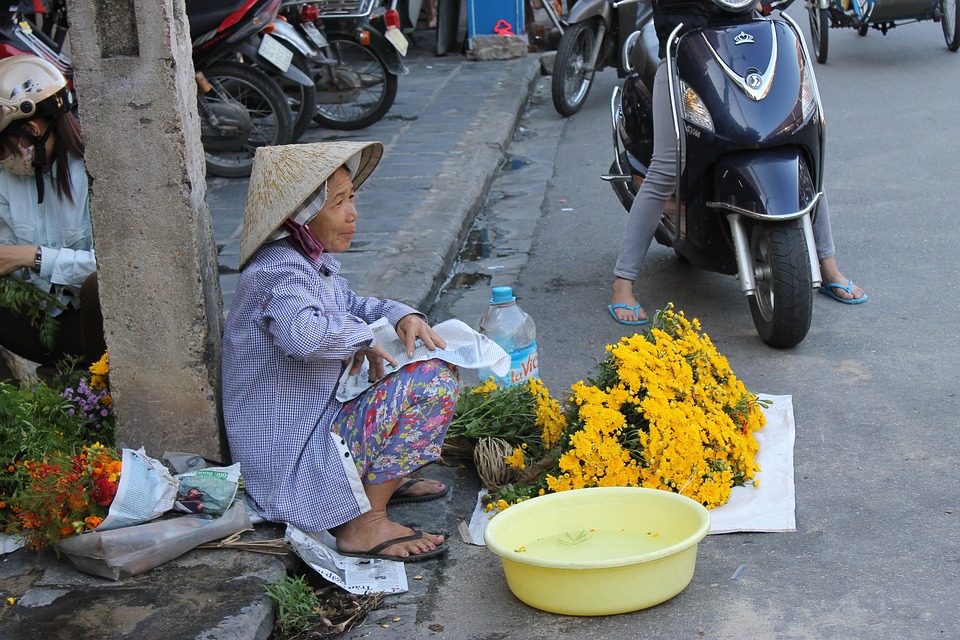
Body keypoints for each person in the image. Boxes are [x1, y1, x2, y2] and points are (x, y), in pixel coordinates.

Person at [221, 141, 459, 562]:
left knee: (425, 362)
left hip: (318, 424)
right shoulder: (279, 271)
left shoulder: (309, 263)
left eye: (352, 198)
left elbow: (356, 306)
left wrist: (402, 315)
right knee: (432, 382)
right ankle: (362, 524)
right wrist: (366, 337)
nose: (353, 214)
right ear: (302, 216)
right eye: (339, 203)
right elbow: (306, 338)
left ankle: (376, 480)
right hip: (291, 457)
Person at [608, 0, 867, 326]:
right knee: (666, 168)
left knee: (797, 145)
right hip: (685, 49)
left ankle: (827, 265)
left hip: (745, 40)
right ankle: (623, 284)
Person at [0, 55, 105, 382]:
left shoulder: (96, 173)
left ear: (31, 130)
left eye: (2, 147)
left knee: (97, 286)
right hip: (36, 324)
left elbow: (115, 269)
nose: (2, 159)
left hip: (94, 331)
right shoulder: (6, 178)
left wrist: (33, 257)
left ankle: (100, 391)